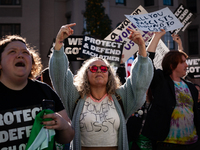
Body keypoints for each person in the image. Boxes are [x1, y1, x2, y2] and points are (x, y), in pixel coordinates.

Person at [49, 23, 153, 150]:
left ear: (109, 74)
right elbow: (59, 77)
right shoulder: (75, 96)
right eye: (93, 68)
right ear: (85, 74)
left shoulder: (121, 97)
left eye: (104, 68)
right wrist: (59, 44)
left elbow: (140, 84)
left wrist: (142, 48)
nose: (99, 70)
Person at [0, 35, 74, 149]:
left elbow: (68, 136)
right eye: (12, 52)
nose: (20, 55)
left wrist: (63, 125)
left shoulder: (45, 91)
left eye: (25, 52)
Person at [141, 29, 200, 150]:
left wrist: (180, 46)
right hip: (167, 143)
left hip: (193, 143)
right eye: (183, 62)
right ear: (172, 66)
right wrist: (157, 37)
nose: (187, 65)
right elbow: (147, 63)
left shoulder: (191, 88)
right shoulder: (160, 81)